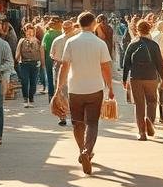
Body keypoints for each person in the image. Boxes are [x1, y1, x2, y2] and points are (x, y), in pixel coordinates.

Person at [52, 12, 114, 174]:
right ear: (94, 24)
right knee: (92, 123)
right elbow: (105, 67)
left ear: (78, 24)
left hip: (75, 89)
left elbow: (64, 66)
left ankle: (82, 150)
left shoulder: (71, 42)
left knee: (77, 123)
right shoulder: (100, 43)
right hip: (95, 88)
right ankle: (87, 150)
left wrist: (58, 89)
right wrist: (110, 87)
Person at [122, 20, 163, 140]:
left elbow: (126, 63)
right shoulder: (154, 45)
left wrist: (124, 79)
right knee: (152, 102)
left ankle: (142, 132)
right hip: (151, 77)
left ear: (137, 30)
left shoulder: (132, 44)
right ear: (149, 29)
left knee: (139, 105)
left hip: (136, 78)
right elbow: (160, 63)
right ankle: (150, 121)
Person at [49, 20, 75, 126]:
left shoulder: (72, 40)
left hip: (68, 66)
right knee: (62, 92)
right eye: (65, 27)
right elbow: (52, 54)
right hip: (62, 65)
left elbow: (52, 54)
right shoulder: (59, 40)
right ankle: (64, 116)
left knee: (65, 92)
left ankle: (68, 115)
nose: (66, 29)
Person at [15, 26, 43, 108]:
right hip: (24, 63)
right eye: (28, 31)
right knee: (24, 81)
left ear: (34, 32)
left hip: (35, 64)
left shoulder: (38, 41)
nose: (30, 33)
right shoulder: (22, 41)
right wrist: (17, 60)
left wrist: (42, 63)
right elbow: (17, 52)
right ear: (25, 32)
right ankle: (25, 99)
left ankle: (31, 98)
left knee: (33, 82)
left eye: (31, 31)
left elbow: (41, 52)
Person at [42, 18, 63, 100]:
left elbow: (42, 48)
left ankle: (51, 96)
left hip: (48, 59)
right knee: (60, 78)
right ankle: (59, 96)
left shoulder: (47, 34)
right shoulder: (61, 34)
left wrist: (43, 61)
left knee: (50, 77)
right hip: (60, 59)